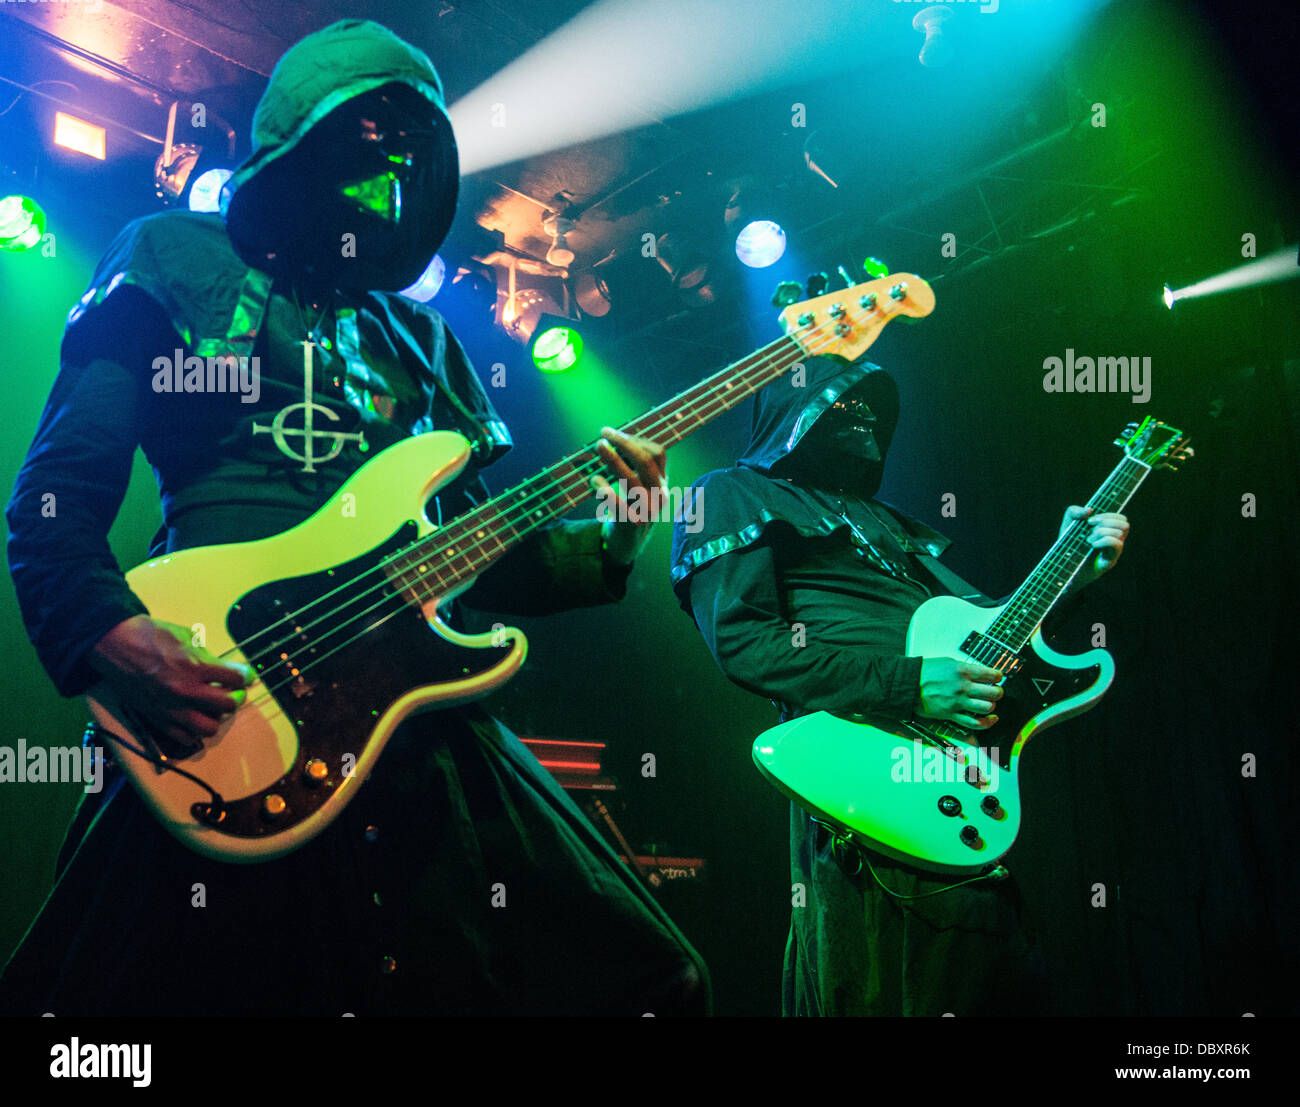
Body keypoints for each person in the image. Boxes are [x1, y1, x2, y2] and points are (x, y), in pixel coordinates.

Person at [2, 19, 708, 1017]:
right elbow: (52, 499)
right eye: (361, 122)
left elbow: (478, 565)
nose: (387, 149)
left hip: (411, 718)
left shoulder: (421, 338)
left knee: (648, 980)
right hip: (227, 688)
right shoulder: (173, 256)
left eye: (408, 135)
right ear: (295, 129)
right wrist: (109, 635)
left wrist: (624, 526)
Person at [669, 357, 1128, 1016]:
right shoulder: (729, 493)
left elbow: (990, 637)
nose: (860, 420)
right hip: (863, 777)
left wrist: (1072, 572)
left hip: (961, 786)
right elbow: (746, 642)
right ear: (794, 407)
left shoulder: (885, 523)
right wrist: (908, 685)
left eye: (870, 409)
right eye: (841, 404)